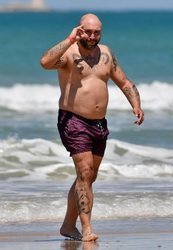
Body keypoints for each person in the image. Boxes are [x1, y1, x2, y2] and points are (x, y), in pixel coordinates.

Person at [40, 13, 144, 242]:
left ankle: (68, 226)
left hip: (99, 123)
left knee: (87, 177)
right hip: (73, 120)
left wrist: (136, 104)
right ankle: (86, 229)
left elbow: (124, 82)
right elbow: (45, 62)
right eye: (88, 31)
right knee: (85, 172)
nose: (92, 36)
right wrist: (69, 39)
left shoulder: (105, 53)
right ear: (79, 29)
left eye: (97, 32)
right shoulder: (69, 52)